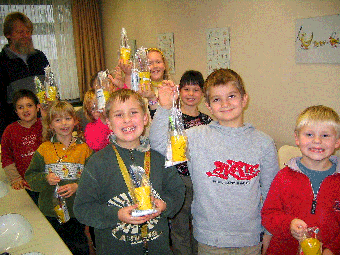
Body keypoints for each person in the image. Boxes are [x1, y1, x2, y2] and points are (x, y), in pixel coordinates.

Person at [149, 68, 279, 254]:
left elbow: (270, 193)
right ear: (208, 106)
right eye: (217, 99)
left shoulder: (264, 143)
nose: (225, 104)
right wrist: (164, 107)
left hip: (250, 238)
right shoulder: (194, 138)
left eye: (232, 96)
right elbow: (160, 146)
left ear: (244, 99)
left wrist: (269, 232)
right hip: (209, 238)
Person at [73, 89, 185, 255]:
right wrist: (116, 214)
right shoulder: (97, 163)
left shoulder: (158, 159)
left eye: (133, 113)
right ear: (109, 123)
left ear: (145, 118)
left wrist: (165, 205)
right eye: (118, 115)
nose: (127, 120)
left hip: (158, 249)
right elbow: (82, 209)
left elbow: (177, 191)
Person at [261, 105, 340, 255]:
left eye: (325, 136)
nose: (317, 141)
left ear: (337, 142)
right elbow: (268, 215)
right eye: (309, 134)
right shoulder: (284, 177)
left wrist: (333, 249)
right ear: (297, 138)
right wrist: (289, 224)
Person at [25, 101, 92, 255]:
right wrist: (45, 178)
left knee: (79, 247)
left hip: (76, 210)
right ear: (50, 125)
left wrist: (77, 186)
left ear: (75, 121)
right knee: (53, 248)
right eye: (57, 120)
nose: (63, 123)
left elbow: (93, 179)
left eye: (67, 118)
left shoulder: (84, 149)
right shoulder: (44, 149)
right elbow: (30, 176)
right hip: (50, 210)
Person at [171, 70, 212, 255]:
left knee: (199, 223)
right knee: (179, 225)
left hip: (201, 180)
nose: (190, 94)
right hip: (178, 179)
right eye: (186, 89)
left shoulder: (207, 121)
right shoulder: (173, 119)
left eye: (195, 90)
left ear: (202, 93)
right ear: (179, 91)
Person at [0, 12, 49, 140]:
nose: (26, 36)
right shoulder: (1, 62)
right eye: (20, 32)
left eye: (28, 31)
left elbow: (50, 88)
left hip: (43, 127)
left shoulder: (40, 57)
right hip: (17, 131)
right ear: (8, 35)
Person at [1, 89, 42, 204]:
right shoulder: (10, 131)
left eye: (29, 105)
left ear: (37, 107)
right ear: (15, 111)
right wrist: (15, 178)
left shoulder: (46, 125)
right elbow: (6, 157)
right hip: (25, 186)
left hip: (47, 181)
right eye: (20, 107)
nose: (25, 110)